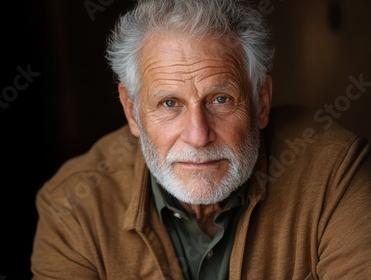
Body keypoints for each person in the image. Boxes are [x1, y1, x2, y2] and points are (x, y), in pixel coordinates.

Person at [30, 0, 371, 279]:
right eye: (169, 103)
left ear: (261, 102)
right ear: (133, 112)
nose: (198, 135)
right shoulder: (73, 207)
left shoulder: (336, 174)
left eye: (220, 99)